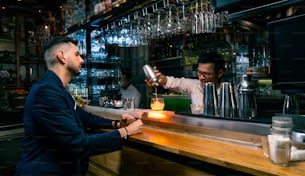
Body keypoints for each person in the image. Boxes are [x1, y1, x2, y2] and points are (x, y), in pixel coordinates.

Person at [14, 36, 143, 176]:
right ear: (61, 56)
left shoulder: (57, 89)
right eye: (76, 54)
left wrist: (116, 124)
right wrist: (126, 132)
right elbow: (78, 144)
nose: (82, 60)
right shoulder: (46, 92)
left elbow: (84, 117)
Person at [153, 52, 225, 106]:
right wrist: (163, 79)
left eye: (206, 74)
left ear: (219, 73)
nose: (201, 77)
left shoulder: (228, 93)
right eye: (199, 72)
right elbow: (177, 82)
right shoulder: (194, 85)